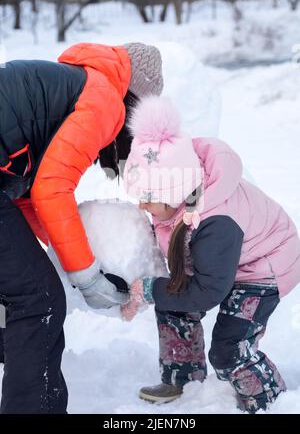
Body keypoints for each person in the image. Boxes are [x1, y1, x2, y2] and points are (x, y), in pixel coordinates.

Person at [0, 42, 163, 413]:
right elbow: (51, 187)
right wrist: (88, 277)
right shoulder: (105, 99)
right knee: (38, 300)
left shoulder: (67, 86)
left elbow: (27, 191)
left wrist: (69, 254)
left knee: (23, 291)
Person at [121, 96, 300, 413]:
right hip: (219, 261)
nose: (141, 206)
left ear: (173, 192)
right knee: (172, 303)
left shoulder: (215, 222)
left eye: (147, 197)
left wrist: (149, 289)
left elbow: (206, 292)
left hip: (263, 266)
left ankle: (268, 399)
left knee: (229, 349)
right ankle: (184, 377)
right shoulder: (177, 198)